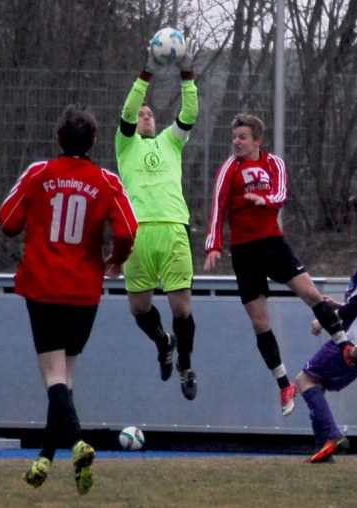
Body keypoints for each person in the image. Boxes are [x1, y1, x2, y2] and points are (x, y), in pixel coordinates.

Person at [0, 105, 138, 495]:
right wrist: (116, 259)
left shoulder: (39, 173)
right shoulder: (106, 180)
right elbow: (128, 229)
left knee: (53, 376)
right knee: (66, 376)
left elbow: (7, 221)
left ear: (58, 140)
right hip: (83, 290)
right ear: (93, 142)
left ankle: (77, 442)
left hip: (43, 286)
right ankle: (44, 457)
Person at [204, 113, 357, 416]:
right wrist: (214, 245)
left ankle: (343, 344)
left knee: (311, 294)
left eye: (243, 137)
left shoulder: (272, 163)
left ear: (257, 140)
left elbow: (281, 192)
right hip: (244, 251)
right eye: (234, 137)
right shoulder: (229, 168)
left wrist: (266, 201)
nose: (236, 142)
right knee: (260, 323)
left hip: (273, 245)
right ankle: (283, 385)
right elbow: (218, 207)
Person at [115, 38, 200, 400]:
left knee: (182, 307)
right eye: (141, 113)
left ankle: (186, 362)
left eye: (150, 112)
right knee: (140, 308)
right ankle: (162, 342)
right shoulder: (126, 144)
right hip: (138, 235)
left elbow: (190, 113)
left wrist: (187, 74)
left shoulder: (171, 141)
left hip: (172, 229)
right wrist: (147, 70)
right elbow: (129, 107)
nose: (145, 114)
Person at [296, 206, 357, 463]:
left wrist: (329, 317)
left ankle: (330, 436)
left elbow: (356, 304)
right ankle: (323, 448)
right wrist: (335, 308)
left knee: (304, 381)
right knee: (316, 385)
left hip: (356, 340)